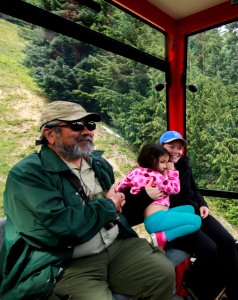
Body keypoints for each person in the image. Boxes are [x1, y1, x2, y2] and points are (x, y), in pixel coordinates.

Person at [0, 101, 175, 299]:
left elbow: (118, 208)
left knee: (163, 273)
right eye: (76, 126)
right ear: (50, 134)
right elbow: (58, 227)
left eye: (90, 125)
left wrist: (134, 200)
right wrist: (108, 206)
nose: (87, 131)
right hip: (67, 261)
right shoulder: (28, 175)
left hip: (114, 244)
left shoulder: (99, 165)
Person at [122, 130, 238, 299]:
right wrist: (146, 195)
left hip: (193, 211)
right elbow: (130, 201)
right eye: (172, 146)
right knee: (210, 249)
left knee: (228, 243)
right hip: (171, 220)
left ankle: (234, 294)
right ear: (161, 147)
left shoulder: (183, 164)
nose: (177, 151)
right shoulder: (150, 171)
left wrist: (202, 204)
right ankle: (195, 285)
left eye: (180, 148)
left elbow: (193, 187)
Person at [117, 143, 201, 250]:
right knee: (197, 221)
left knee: (190, 209)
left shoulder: (136, 171)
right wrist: (172, 171)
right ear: (151, 160)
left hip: (154, 216)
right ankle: (162, 237)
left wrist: (115, 191)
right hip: (156, 219)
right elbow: (175, 189)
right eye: (162, 162)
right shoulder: (157, 177)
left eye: (166, 162)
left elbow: (121, 185)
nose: (165, 165)